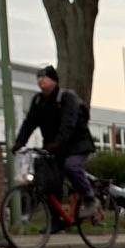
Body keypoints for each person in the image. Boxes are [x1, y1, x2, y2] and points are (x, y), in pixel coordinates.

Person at [13, 66, 98, 216]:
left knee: (71, 166)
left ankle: (90, 199)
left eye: (44, 77)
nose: (40, 80)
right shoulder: (38, 100)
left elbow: (68, 124)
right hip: (54, 147)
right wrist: (20, 142)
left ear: (54, 80)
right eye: (38, 77)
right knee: (49, 182)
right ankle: (57, 219)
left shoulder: (66, 98)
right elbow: (30, 123)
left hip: (77, 145)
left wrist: (58, 142)